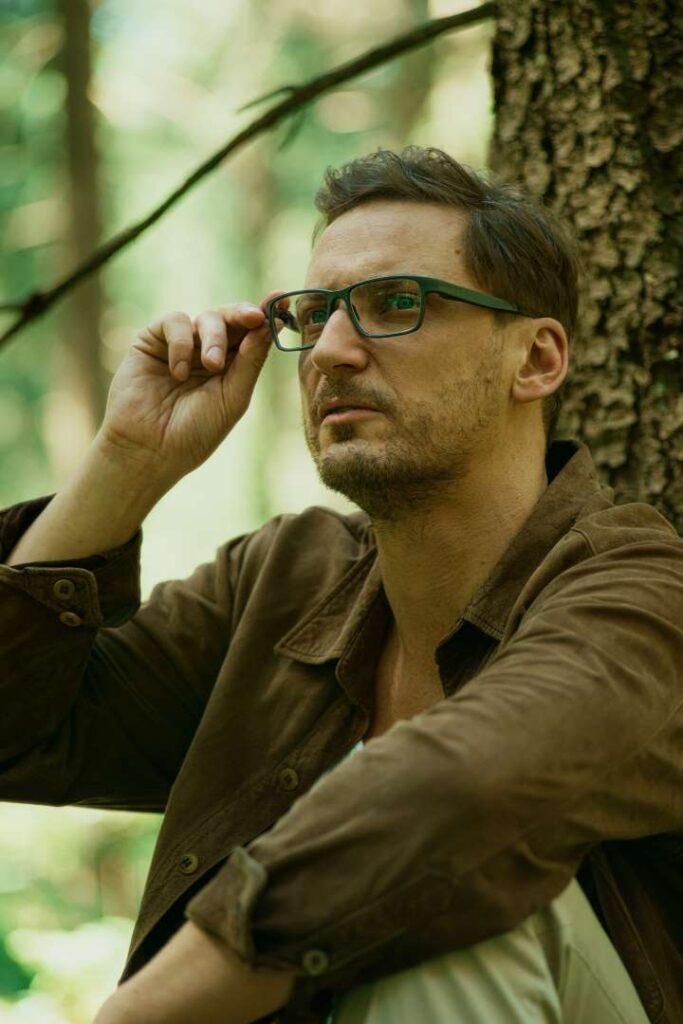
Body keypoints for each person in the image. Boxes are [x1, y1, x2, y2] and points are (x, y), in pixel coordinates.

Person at [0, 147, 681, 1024]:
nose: (327, 351)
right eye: (313, 314)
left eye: (394, 304)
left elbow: (466, 793)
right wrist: (125, 464)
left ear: (536, 359)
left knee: (456, 912)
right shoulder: (282, 580)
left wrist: (139, 1012)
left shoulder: (643, 593)